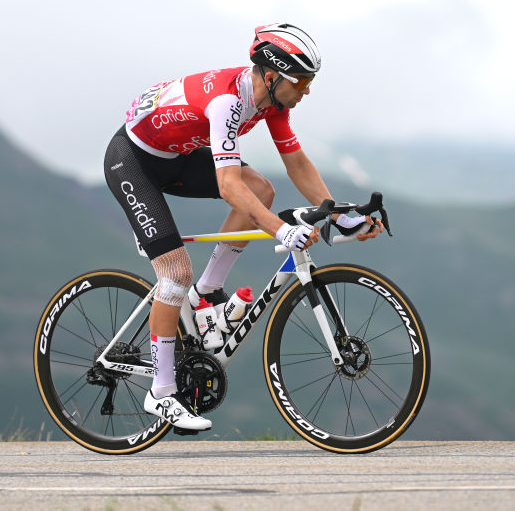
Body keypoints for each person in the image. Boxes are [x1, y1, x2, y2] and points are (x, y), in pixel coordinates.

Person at [103, 23, 381, 431]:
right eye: (302, 81)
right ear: (272, 76)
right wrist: (280, 231)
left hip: (177, 157)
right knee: (175, 273)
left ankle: (207, 292)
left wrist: (340, 214)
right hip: (133, 161)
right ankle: (160, 392)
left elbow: (297, 164)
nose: (307, 90)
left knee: (262, 189)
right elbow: (227, 185)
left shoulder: (272, 102)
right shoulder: (228, 102)